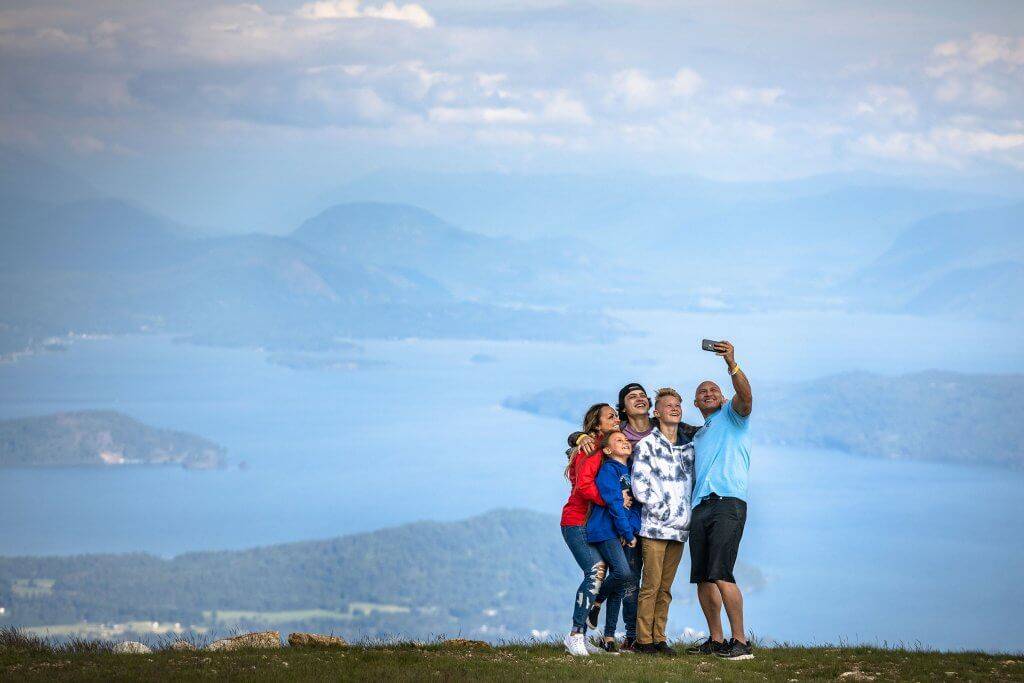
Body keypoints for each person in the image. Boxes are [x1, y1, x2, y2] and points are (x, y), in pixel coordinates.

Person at [572, 383, 699, 646]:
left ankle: (641, 636)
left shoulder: (660, 427)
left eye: (643, 396)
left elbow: (698, 433)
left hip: (653, 520)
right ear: (622, 408)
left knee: (648, 582)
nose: (640, 399)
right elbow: (589, 441)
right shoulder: (617, 435)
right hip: (628, 518)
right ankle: (633, 636)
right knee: (630, 578)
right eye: (632, 397)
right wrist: (577, 437)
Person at [685, 340, 755, 661]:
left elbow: (747, 397)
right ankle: (717, 639)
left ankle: (740, 642)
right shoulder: (699, 433)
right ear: (696, 403)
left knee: (722, 572)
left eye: (713, 389)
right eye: (703, 392)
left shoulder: (733, 415)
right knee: (703, 576)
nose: (709, 393)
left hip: (728, 503)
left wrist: (731, 363)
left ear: (723, 397)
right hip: (700, 507)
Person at [629, 387, 696, 656]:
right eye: (668, 405)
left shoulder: (690, 448)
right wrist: (664, 512)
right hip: (655, 527)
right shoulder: (647, 445)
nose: (674, 407)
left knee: (665, 589)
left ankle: (659, 637)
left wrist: (685, 517)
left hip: (680, 530)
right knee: (651, 586)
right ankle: (644, 641)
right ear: (656, 413)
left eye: (677, 404)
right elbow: (640, 486)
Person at [560, 403, 620, 656]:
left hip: (592, 524)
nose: (616, 419)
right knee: (595, 571)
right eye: (610, 417)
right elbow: (584, 487)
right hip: (577, 522)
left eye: (616, 415)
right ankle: (574, 635)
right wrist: (612, 500)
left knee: (603, 572)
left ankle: (581, 636)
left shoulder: (603, 445)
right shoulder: (591, 449)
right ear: (597, 425)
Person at [585, 430, 642, 654]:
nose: (625, 442)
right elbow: (614, 503)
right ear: (608, 450)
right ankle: (597, 600)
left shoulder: (631, 471)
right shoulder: (609, 469)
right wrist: (628, 534)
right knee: (624, 574)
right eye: (619, 440)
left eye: (626, 439)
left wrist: (632, 530)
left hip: (621, 532)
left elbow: (637, 506)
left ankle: (608, 638)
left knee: (619, 586)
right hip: (605, 530)